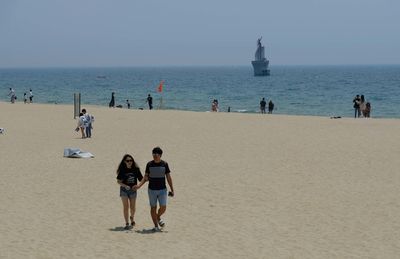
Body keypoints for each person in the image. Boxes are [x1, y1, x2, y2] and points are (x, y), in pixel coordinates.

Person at [135, 147, 174, 232]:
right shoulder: (149, 164)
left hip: (162, 190)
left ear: (160, 155)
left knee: (163, 207)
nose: (155, 155)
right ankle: (156, 226)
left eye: (157, 154)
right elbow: (145, 177)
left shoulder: (165, 164)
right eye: (154, 154)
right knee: (153, 207)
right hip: (152, 190)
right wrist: (139, 186)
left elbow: (168, 177)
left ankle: (158, 216)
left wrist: (172, 189)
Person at [116, 154, 143, 230]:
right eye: (128, 161)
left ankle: (132, 217)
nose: (129, 162)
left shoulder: (136, 169)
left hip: (133, 191)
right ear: (124, 162)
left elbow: (141, 179)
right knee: (126, 207)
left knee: (133, 208)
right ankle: (127, 223)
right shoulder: (122, 170)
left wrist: (147, 178)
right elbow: (118, 181)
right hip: (124, 190)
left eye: (131, 160)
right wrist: (125, 186)